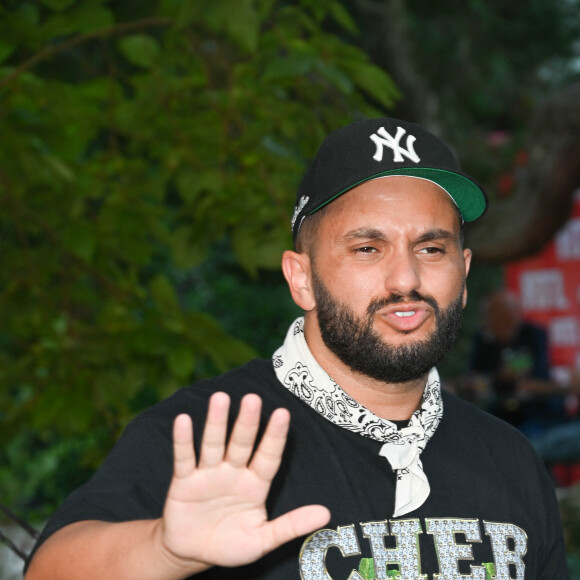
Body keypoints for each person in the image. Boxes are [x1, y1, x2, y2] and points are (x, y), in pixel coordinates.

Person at [25, 118, 568, 579]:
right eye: (366, 248)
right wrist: (163, 548)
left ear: (464, 274)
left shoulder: (509, 458)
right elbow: (49, 568)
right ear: (301, 278)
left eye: (431, 247)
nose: (406, 278)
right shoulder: (216, 435)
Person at [468, 290, 567, 436]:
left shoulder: (533, 334)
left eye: (507, 319)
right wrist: (498, 376)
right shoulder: (484, 340)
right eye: (493, 318)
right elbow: (473, 376)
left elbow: (539, 374)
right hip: (498, 411)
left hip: (536, 413)